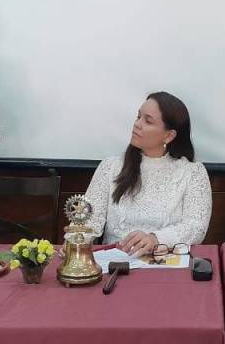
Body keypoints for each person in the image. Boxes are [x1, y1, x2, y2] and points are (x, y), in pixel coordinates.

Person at [83, 92, 211, 255]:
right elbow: (88, 219)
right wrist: (75, 243)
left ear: (169, 135)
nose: (137, 124)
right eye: (138, 117)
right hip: (115, 261)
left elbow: (196, 227)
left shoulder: (192, 173)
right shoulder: (110, 167)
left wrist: (155, 239)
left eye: (148, 121)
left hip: (165, 261)